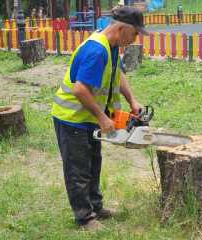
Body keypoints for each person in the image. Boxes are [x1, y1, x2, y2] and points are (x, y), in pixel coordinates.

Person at [51, 6, 150, 231]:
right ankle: (85, 217)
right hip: (72, 117)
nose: (135, 39)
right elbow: (79, 90)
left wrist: (132, 101)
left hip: (88, 117)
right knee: (78, 168)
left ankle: (95, 205)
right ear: (121, 28)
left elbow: (118, 73)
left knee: (94, 162)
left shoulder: (112, 46)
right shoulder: (97, 50)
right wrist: (102, 117)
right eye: (135, 34)